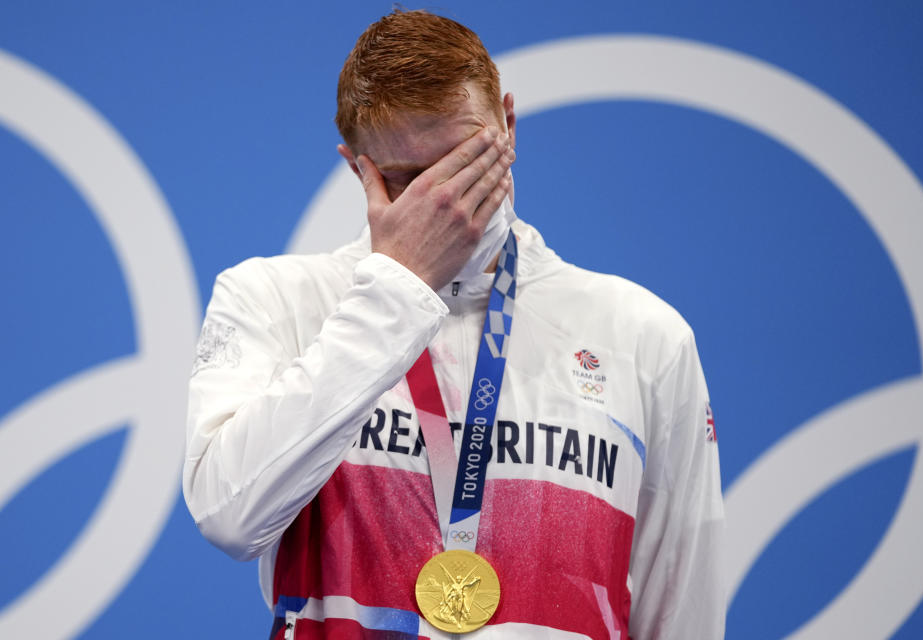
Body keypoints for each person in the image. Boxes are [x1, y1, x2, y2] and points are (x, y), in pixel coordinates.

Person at [184, 9, 725, 640]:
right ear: (357, 170)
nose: (445, 201)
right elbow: (230, 516)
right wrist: (400, 288)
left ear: (509, 125)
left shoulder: (644, 335)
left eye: (465, 160)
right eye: (405, 181)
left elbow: (683, 614)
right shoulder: (272, 300)